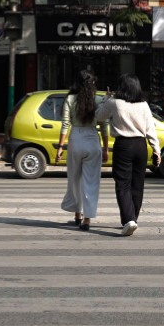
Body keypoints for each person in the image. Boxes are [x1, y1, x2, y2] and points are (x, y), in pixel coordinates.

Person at [95, 74, 160, 236]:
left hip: (123, 145)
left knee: (122, 183)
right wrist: (157, 149)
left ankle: (128, 220)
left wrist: (105, 99)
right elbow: (150, 129)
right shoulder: (144, 105)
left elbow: (98, 116)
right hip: (140, 145)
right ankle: (134, 219)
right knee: (137, 184)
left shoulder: (114, 102)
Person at [55, 68, 108, 231]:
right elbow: (104, 126)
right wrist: (105, 148)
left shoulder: (70, 99)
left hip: (75, 139)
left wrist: (60, 147)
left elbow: (65, 123)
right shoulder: (99, 100)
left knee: (74, 179)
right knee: (91, 181)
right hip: (92, 140)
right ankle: (87, 219)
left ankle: (77, 214)